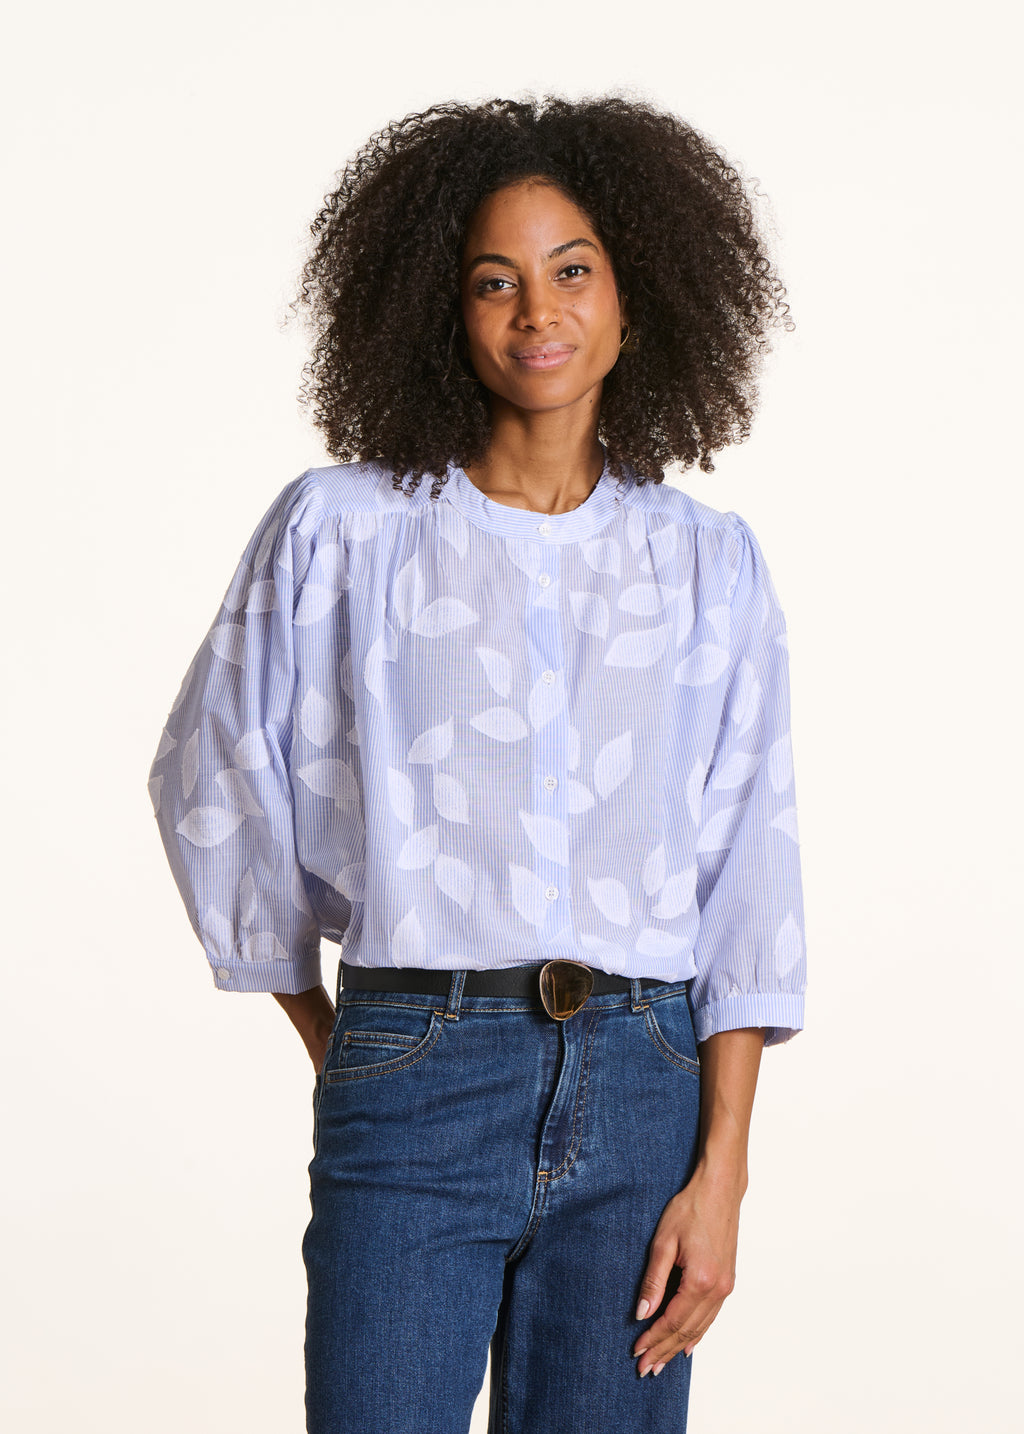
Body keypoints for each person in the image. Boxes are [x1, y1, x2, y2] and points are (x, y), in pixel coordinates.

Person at [149, 95, 806, 1433]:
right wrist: (349, 1038)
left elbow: (749, 861)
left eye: (573, 271)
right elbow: (209, 774)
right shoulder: (345, 532)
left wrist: (723, 1163)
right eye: (493, 281)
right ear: (439, 310)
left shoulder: (705, 564)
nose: (536, 311)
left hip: (645, 1087)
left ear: (638, 298)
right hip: (417, 1070)